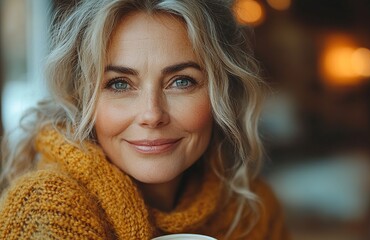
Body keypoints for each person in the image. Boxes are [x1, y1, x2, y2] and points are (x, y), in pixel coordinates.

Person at [0, 0, 288, 239]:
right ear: (82, 98)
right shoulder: (46, 209)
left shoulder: (253, 210)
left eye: (181, 82)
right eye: (120, 84)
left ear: (222, 93)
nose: (152, 115)